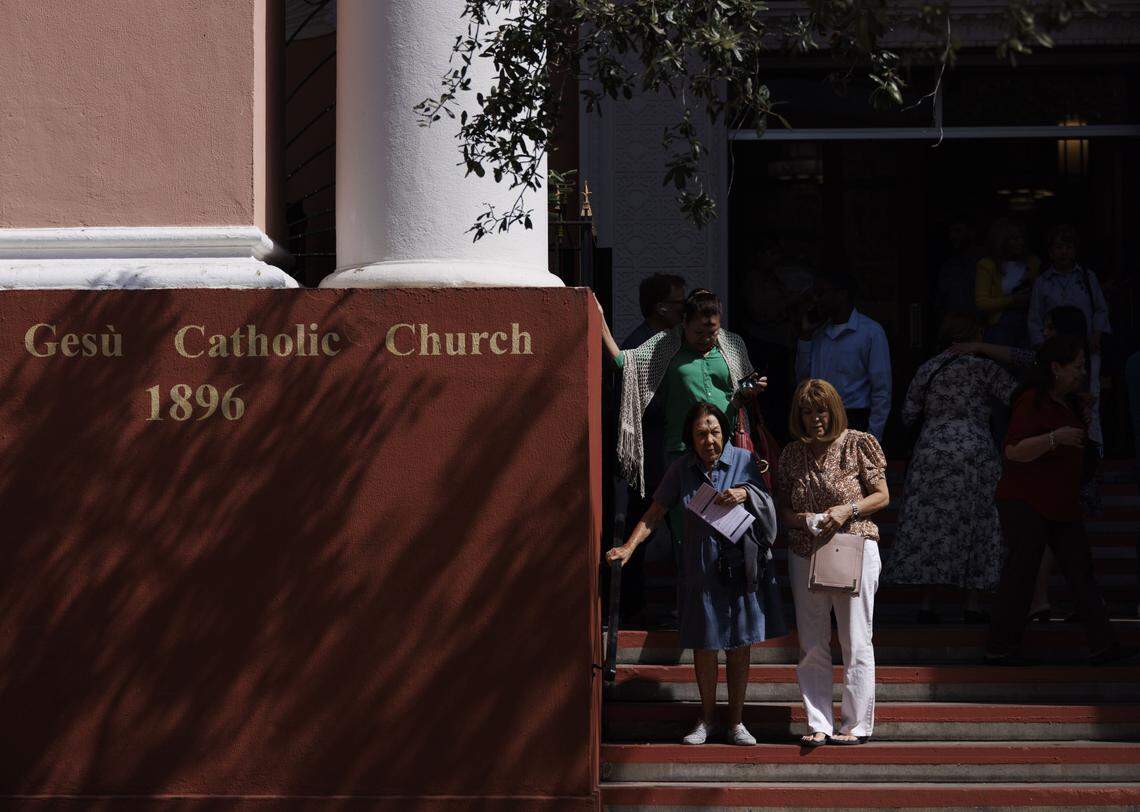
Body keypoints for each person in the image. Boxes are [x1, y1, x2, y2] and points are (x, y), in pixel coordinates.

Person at [607, 402, 779, 745]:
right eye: (701, 434)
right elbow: (655, 512)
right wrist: (628, 548)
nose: (709, 440)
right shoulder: (681, 469)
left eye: (715, 432)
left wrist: (744, 492)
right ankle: (708, 719)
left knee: (739, 646)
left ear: (725, 433)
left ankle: (736, 721)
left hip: (738, 569)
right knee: (704, 645)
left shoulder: (744, 461)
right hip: (699, 569)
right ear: (691, 437)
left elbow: (767, 500)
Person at [985, 336, 1136, 665]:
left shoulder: (1070, 403)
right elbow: (1014, 451)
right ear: (1056, 368)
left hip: (1061, 502)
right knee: (1021, 572)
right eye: (1077, 366)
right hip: (1026, 500)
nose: (1082, 372)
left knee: (1081, 571)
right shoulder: (1032, 401)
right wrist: (1056, 438)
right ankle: (1000, 647)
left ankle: (1104, 645)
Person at [777, 380, 889, 746]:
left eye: (821, 411)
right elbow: (782, 509)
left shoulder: (859, 443)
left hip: (854, 547)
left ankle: (856, 725)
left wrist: (847, 509)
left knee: (856, 638)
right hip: (805, 550)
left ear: (835, 410)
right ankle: (819, 722)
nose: (814, 419)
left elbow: (882, 495)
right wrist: (802, 518)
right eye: (807, 412)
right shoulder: (792, 454)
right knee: (812, 642)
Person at [887, 313, 1018, 624]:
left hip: (931, 451)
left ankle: (927, 603)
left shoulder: (928, 368)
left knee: (933, 524)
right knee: (978, 522)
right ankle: (973, 603)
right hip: (975, 452)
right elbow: (1017, 396)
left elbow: (908, 413)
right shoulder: (985, 367)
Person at [601, 289, 765, 498]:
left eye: (713, 332)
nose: (706, 338)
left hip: (725, 446)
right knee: (686, 516)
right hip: (682, 449)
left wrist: (750, 390)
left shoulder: (732, 345)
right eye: (698, 332)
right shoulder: (666, 345)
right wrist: (600, 321)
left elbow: (742, 386)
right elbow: (624, 363)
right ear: (684, 323)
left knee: (725, 514)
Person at [613, 273, 686, 625]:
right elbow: (641, 404)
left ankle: (641, 606)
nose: (685, 311)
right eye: (679, 304)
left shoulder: (665, 340)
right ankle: (633, 607)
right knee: (651, 528)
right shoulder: (646, 346)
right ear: (660, 308)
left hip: (660, 454)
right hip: (653, 456)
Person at [1027, 225, 1111, 449]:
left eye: (1068, 247)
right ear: (1050, 251)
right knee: (1060, 399)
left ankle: (1095, 451)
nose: (1063, 252)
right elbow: (1034, 319)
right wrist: (1043, 347)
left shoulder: (1086, 277)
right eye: (1058, 247)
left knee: (1089, 399)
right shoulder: (1043, 282)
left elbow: (1100, 309)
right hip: (1055, 351)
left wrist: (1096, 333)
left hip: (1085, 347)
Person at [795, 270, 892, 441]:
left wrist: (872, 436)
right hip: (819, 419)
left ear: (842, 294)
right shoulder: (818, 333)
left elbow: (881, 390)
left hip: (855, 420)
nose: (816, 300)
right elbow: (802, 379)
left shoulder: (870, 332)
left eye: (822, 293)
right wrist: (805, 336)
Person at [975, 219, 1040, 349]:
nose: (1020, 242)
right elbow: (981, 303)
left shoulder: (1033, 262)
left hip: (1029, 324)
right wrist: (1012, 300)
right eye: (1014, 239)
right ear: (1002, 241)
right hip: (1000, 326)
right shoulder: (987, 265)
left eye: (1022, 238)